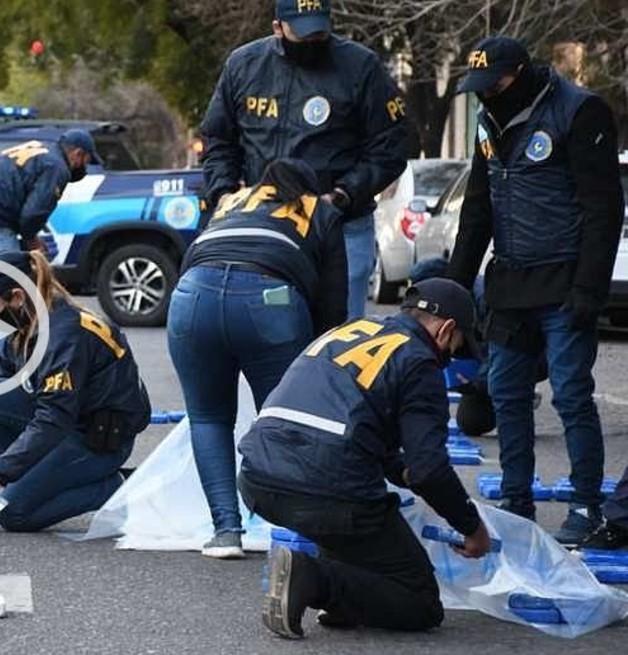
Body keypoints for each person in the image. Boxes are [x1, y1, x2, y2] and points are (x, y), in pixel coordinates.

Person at [446, 36, 625, 543]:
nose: (487, 95)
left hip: (566, 281)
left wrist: (590, 289)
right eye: (479, 88)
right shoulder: (488, 121)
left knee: (571, 393)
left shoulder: (579, 111)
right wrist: (450, 288)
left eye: (495, 84)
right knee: (504, 394)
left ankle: (587, 503)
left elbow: (603, 209)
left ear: (521, 73)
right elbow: (477, 210)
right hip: (510, 282)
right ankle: (515, 501)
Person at [239, 278, 491, 638]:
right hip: (324, 488)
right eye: (455, 348)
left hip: (258, 477)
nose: (449, 358)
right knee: (419, 601)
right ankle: (315, 579)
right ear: (447, 329)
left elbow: (348, 421)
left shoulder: (352, 329)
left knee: (353, 519)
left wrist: (399, 470)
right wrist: (471, 527)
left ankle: (344, 598)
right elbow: (430, 471)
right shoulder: (419, 361)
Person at [167, 159, 348, 559]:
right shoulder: (320, 209)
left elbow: (194, 257)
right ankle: (284, 527)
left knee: (208, 417)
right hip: (271, 298)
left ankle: (225, 531)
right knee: (284, 417)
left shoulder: (232, 200)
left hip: (191, 295)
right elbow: (333, 302)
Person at [199, 0, 409, 321]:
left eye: (319, 34)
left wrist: (342, 196)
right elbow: (218, 139)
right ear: (277, 28)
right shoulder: (243, 65)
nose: (313, 42)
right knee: (272, 333)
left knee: (338, 341)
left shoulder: (361, 66)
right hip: (264, 224)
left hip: (340, 224)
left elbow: (391, 147)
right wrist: (224, 193)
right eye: (303, 35)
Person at [0, 250, 151, 532]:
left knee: (11, 515)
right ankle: (32, 481)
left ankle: (117, 486)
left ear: (17, 297)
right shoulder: (29, 322)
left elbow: (54, 418)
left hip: (99, 442)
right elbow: (1, 385)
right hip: (72, 423)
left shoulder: (62, 335)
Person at [0, 128, 95, 382]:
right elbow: (32, 214)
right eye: (87, 160)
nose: (85, 166)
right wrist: (32, 241)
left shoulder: (40, 148)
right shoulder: (58, 167)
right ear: (78, 154)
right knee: (3, 297)